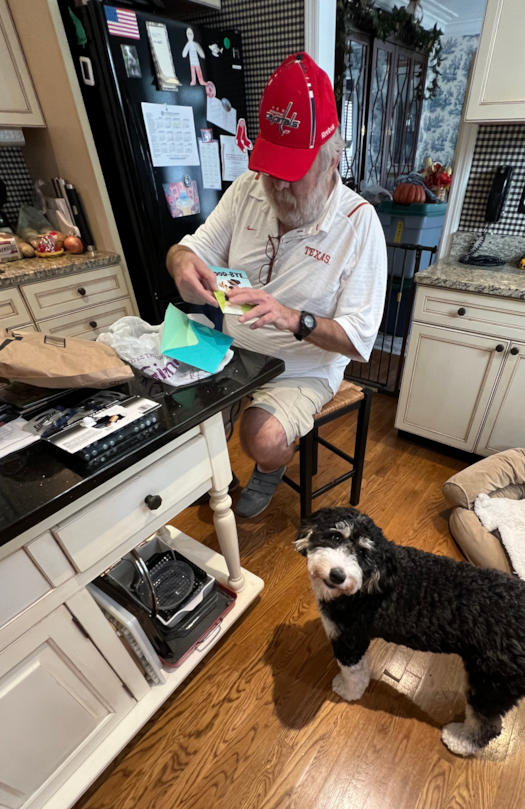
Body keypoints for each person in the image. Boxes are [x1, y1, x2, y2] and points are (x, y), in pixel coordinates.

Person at [167, 52, 387, 518]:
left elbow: (358, 340)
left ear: (332, 160)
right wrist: (182, 263)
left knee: (261, 439)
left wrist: (292, 318)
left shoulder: (359, 225)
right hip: (229, 348)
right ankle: (215, 469)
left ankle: (268, 465)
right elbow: (187, 249)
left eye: (291, 174)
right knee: (166, 396)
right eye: (270, 169)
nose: (277, 187)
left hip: (302, 368)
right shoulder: (249, 186)